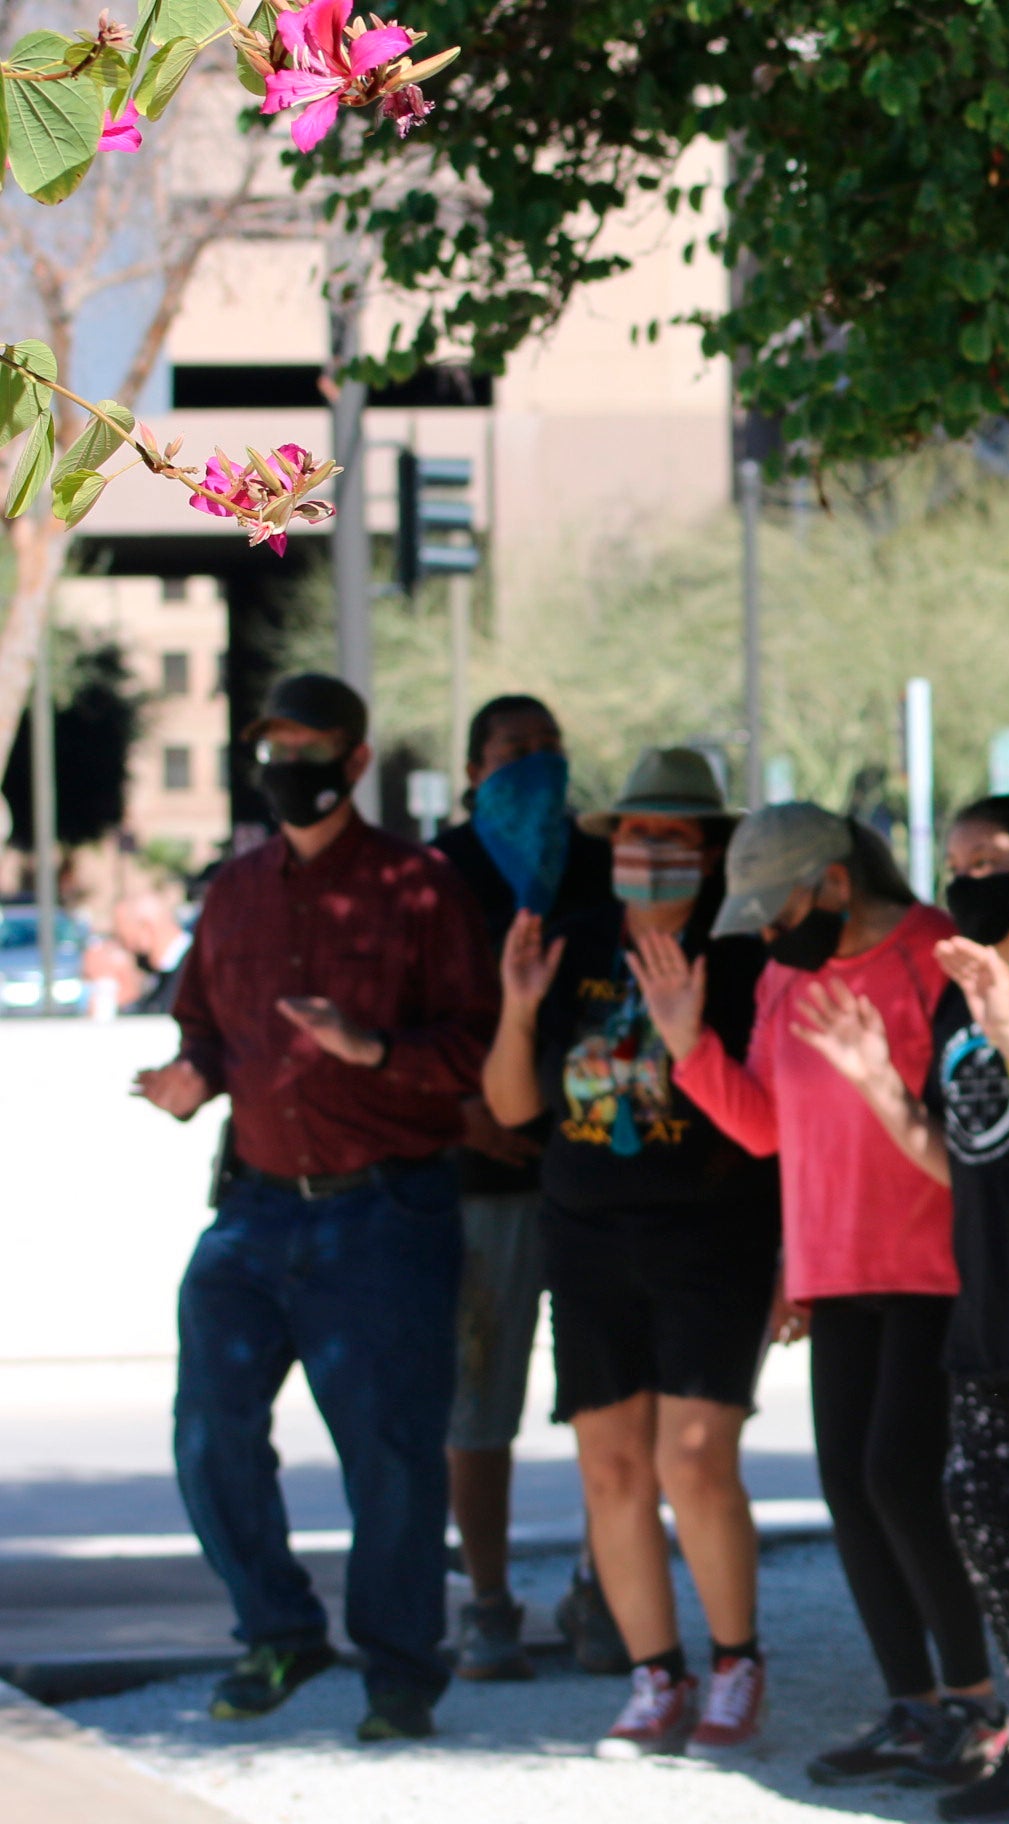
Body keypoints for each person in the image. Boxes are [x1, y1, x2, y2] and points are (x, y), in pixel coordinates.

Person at [132, 672, 496, 1743]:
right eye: (271, 748)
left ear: (354, 761)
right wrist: (189, 1077)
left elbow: (475, 1046)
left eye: (307, 748)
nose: (286, 767)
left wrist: (373, 1046)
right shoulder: (237, 890)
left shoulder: (418, 886)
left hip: (385, 1209)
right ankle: (278, 1630)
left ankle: (398, 1672)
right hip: (252, 1209)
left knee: (387, 1453)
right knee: (208, 1433)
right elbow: (204, 1023)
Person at [646, 802, 1000, 1788]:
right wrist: (687, 1047)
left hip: (937, 1264)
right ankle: (913, 1708)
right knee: (850, 1487)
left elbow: (973, 1132)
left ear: (836, 881)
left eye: (778, 906)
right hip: (835, 1268)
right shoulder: (783, 974)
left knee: (900, 1477)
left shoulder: (939, 954)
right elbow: (767, 1129)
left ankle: (979, 1704)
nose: (767, 931)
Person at [791, 793, 1009, 1819]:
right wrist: (881, 1086)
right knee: (982, 1521)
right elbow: (952, 1155)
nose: (964, 876)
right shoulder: (953, 992)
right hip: (985, 1307)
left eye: (989, 858)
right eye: (956, 858)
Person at [481, 747, 781, 1758]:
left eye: (671, 836)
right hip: (588, 1239)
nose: (646, 851)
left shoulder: (741, 956)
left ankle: (737, 1663)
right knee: (609, 1470)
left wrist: (688, 1031)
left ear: (711, 851)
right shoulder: (569, 946)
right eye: (633, 834)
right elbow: (516, 1110)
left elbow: (768, 1125)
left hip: (712, 1235)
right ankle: (659, 1679)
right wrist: (520, 1006)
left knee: (696, 1462)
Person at [430, 692, 617, 1681]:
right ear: (473, 770)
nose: (537, 762)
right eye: (513, 749)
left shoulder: (600, 864)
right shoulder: (436, 873)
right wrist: (461, 1109)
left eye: (550, 746)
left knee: (605, 1397)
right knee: (479, 1399)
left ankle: (606, 1588)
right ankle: (490, 1602)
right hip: (480, 1176)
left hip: (592, 1167)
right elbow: (402, 1013)